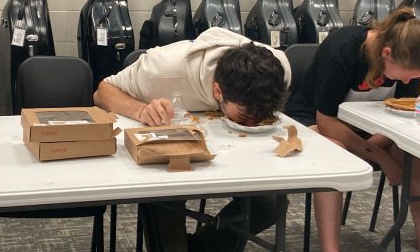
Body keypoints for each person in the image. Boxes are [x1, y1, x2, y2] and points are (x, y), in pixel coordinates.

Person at [94, 26, 291, 252]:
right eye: (245, 117)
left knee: (271, 203)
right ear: (218, 91)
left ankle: (201, 247)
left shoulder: (280, 68)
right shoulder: (162, 70)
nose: (254, 123)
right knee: (165, 196)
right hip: (173, 154)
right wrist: (142, 110)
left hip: (237, 153)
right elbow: (102, 92)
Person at [284, 7, 420, 252]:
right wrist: (380, 156)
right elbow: (326, 122)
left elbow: (402, 118)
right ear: (386, 54)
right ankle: (330, 249)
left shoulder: (409, 58)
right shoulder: (343, 48)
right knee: (334, 153)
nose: (409, 82)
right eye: (408, 76)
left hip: (371, 132)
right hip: (314, 121)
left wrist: (374, 146)